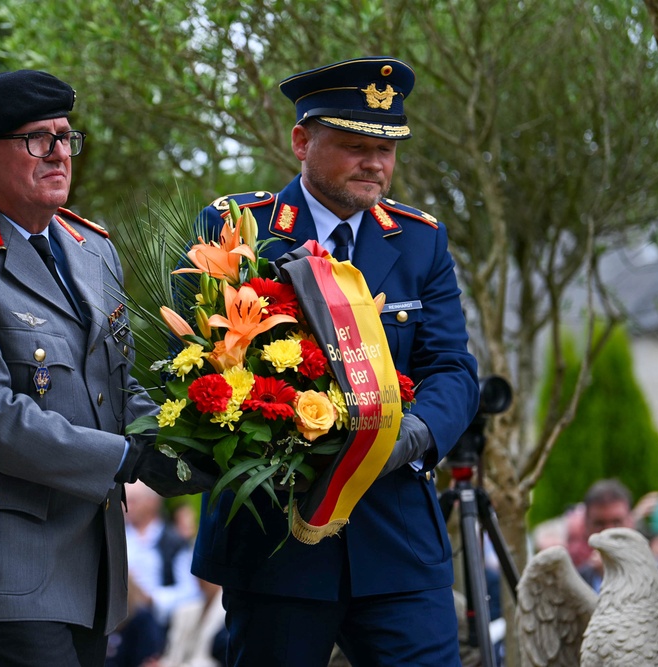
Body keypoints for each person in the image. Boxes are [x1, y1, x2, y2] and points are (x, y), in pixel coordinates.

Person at [0, 69, 212, 667]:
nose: (60, 154)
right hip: (8, 558)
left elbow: (118, 387)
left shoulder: (92, 250)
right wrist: (126, 458)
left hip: (92, 557)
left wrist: (188, 441)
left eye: (67, 137)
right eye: (37, 140)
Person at [190, 56, 480, 666]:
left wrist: (410, 437)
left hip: (396, 533)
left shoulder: (420, 238)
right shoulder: (239, 228)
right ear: (302, 140)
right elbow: (200, 365)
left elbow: (452, 367)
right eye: (354, 145)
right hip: (278, 542)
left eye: (387, 147)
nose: (375, 164)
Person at [123, 481, 201, 630]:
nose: (127, 507)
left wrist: (153, 599)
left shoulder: (174, 542)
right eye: (125, 501)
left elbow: (191, 591)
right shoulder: (118, 537)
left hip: (160, 625)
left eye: (133, 501)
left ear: (152, 502)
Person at [577, 479, 635, 592]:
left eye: (617, 522)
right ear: (586, 526)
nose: (609, 532)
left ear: (631, 522)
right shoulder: (576, 583)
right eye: (600, 524)